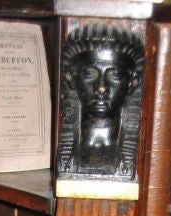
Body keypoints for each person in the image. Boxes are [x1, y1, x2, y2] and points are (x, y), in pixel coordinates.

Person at [57, 24, 144, 178]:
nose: (101, 88)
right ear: (71, 77)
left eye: (115, 75)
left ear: (132, 82)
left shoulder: (138, 156)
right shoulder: (67, 159)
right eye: (90, 74)